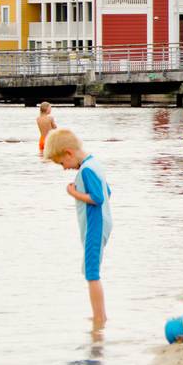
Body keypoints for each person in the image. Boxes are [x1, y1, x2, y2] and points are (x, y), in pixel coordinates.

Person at [43, 129, 113, 330]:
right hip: (103, 223)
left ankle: (99, 319)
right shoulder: (94, 163)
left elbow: (98, 199)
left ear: (68, 153)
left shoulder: (86, 170)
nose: (64, 168)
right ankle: (99, 317)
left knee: (91, 272)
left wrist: (73, 193)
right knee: (91, 269)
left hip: (95, 225)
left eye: (61, 163)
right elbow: (107, 192)